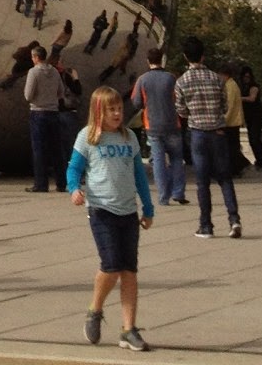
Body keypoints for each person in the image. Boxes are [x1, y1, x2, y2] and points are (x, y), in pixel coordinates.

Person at [69, 86, 154, 351]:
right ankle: (95, 309)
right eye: (112, 110)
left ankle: (128, 329)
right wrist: (74, 188)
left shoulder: (129, 138)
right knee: (111, 264)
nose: (118, 113)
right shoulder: (88, 137)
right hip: (101, 210)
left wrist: (148, 208)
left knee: (129, 270)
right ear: (98, 112)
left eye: (119, 108)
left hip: (128, 211)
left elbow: (139, 175)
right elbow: (74, 168)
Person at [173, 38, 240, 239]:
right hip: (218, 131)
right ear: (203, 56)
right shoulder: (216, 78)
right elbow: (224, 106)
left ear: (186, 57)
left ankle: (206, 225)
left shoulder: (182, 81)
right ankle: (234, 219)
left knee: (202, 181)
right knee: (225, 178)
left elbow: (181, 110)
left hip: (198, 133)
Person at [129, 48, 185, 206]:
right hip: (173, 123)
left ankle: (163, 196)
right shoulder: (171, 78)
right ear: (162, 59)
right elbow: (178, 98)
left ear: (148, 61)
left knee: (159, 161)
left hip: (152, 125)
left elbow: (136, 102)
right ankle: (178, 192)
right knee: (177, 159)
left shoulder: (142, 79)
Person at [24, 45, 67, 193]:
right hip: (53, 112)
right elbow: (61, 92)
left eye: (32, 57)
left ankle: (41, 183)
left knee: (39, 149)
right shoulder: (55, 71)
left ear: (36, 57)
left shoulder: (33, 72)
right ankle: (61, 182)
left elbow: (28, 95)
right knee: (57, 149)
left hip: (38, 112)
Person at [220, 65, 246, 178]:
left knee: (231, 147)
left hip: (231, 122)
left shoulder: (230, 87)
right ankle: (237, 167)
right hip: (234, 120)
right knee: (233, 146)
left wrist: (223, 120)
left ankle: (235, 168)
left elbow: (229, 106)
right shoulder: (231, 85)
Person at [239, 68, 262, 171]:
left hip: (257, 116)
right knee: (252, 139)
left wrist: (239, 98)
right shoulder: (242, 87)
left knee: (255, 138)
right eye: (245, 77)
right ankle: (259, 159)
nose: (246, 79)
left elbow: (252, 98)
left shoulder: (254, 87)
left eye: (248, 77)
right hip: (249, 116)